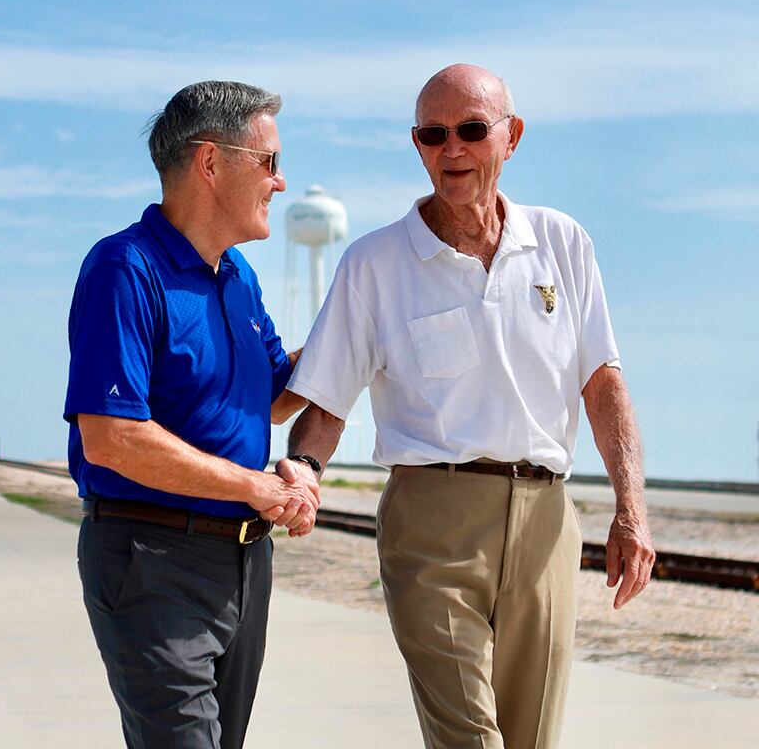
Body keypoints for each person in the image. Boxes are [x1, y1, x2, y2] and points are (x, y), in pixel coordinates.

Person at [281, 64, 656, 749]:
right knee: (468, 738)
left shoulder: (564, 244)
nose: (451, 149)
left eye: (471, 130)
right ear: (417, 144)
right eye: (433, 134)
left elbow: (603, 384)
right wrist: (304, 467)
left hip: (547, 523)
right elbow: (328, 397)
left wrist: (631, 511)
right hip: (432, 529)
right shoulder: (374, 263)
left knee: (529, 738)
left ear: (510, 137)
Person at [63, 80, 316, 749]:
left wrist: (360, 330)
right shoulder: (124, 269)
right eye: (268, 163)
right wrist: (257, 487)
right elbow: (113, 437)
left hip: (241, 567)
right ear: (211, 162)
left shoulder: (238, 277)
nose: (281, 182)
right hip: (152, 561)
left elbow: (274, 394)